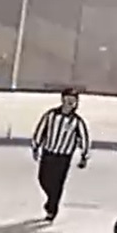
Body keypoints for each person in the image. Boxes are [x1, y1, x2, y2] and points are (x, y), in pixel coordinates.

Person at [31, 87, 92, 222]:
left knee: (57, 184)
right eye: (68, 99)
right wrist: (35, 146)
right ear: (62, 99)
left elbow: (84, 138)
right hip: (48, 153)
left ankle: (52, 209)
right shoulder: (51, 115)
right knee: (43, 179)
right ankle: (51, 201)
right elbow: (41, 130)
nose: (70, 102)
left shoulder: (77, 121)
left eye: (73, 100)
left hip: (63, 157)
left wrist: (84, 156)